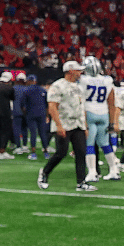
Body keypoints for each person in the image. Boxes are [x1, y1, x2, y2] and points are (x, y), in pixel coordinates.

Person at [38, 61, 95, 191]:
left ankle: (81, 182)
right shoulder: (57, 86)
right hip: (63, 123)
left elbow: (82, 108)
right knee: (61, 153)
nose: (80, 73)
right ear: (70, 71)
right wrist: (59, 125)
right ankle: (45, 173)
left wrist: (85, 126)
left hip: (78, 124)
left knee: (81, 152)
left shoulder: (79, 87)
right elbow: (52, 106)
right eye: (78, 70)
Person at [78, 56, 122, 181]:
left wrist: (84, 120)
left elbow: (80, 100)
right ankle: (114, 170)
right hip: (104, 113)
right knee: (105, 143)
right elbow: (112, 101)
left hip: (89, 112)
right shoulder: (107, 80)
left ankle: (92, 172)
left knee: (89, 144)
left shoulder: (83, 80)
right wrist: (113, 121)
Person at [22, 75, 50, 160]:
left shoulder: (26, 90)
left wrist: (25, 114)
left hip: (31, 114)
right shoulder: (42, 90)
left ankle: (33, 153)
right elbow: (47, 105)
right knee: (42, 133)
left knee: (33, 133)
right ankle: (46, 152)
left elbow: (23, 106)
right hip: (41, 114)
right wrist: (47, 115)